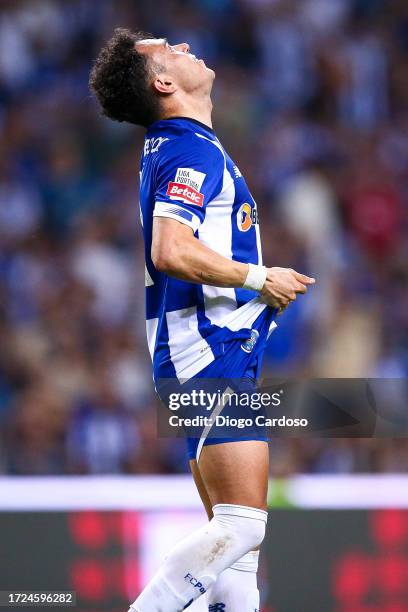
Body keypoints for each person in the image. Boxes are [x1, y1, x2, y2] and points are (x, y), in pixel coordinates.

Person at [90, 29, 315, 612]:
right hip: (209, 354)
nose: (185, 48)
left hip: (206, 352)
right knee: (243, 527)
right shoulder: (189, 150)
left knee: (239, 563)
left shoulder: (178, 146)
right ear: (163, 83)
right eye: (169, 52)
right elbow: (170, 247)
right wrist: (257, 278)